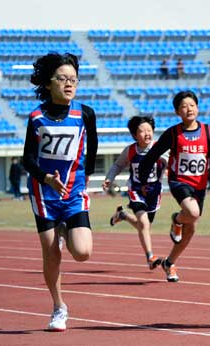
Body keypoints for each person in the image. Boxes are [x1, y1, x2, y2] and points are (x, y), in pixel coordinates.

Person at [22, 52, 98, 332]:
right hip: (44, 194)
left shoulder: (85, 113)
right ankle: (58, 307)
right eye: (63, 78)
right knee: (51, 253)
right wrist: (46, 178)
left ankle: (65, 229)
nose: (69, 83)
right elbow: (27, 160)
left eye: (73, 79)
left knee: (83, 253)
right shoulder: (36, 117)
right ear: (49, 83)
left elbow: (93, 149)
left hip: (74, 191)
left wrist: (85, 177)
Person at [138, 90, 210, 282]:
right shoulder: (173, 133)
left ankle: (169, 262)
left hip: (199, 186)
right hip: (179, 182)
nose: (189, 109)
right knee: (192, 212)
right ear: (177, 112)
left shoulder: (207, 131)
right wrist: (143, 181)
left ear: (197, 108)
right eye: (184, 107)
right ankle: (176, 219)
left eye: (192, 105)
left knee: (191, 230)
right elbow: (152, 155)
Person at [102, 116, 167, 270]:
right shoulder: (130, 150)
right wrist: (109, 179)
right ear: (134, 135)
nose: (147, 134)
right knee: (144, 224)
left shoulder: (160, 148)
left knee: (144, 226)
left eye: (149, 130)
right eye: (142, 131)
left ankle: (123, 215)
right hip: (136, 190)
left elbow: (173, 162)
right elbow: (118, 165)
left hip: (154, 192)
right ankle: (150, 257)